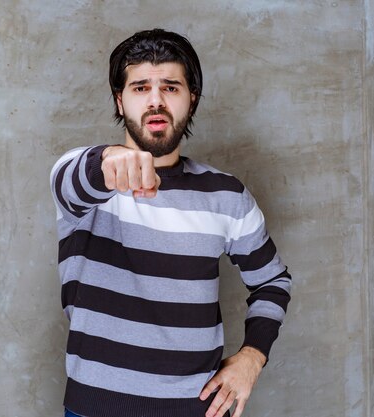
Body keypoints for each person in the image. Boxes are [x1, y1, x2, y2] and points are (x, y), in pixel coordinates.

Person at [50, 28, 291, 417]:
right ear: (120, 99)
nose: (156, 102)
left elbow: (272, 282)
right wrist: (111, 161)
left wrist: (252, 357)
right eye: (141, 87)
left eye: (171, 88)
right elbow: (77, 177)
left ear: (191, 99)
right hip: (93, 409)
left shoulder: (226, 195)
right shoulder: (82, 178)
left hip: (196, 410)